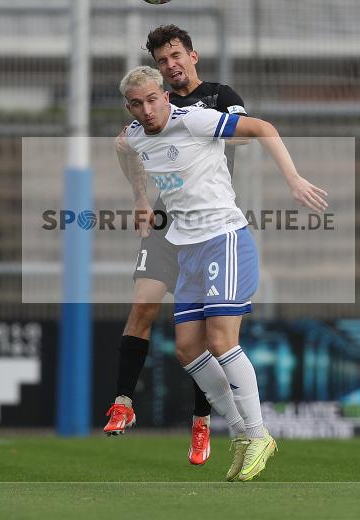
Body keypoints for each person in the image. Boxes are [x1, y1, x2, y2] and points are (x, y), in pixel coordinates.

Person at [118, 65, 327, 481]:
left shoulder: (194, 119)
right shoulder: (136, 135)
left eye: (152, 99)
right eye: (137, 104)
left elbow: (263, 129)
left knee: (220, 339)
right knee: (187, 349)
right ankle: (240, 432)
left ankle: (258, 433)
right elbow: (122, 147)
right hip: (186, 248)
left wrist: (293, 178)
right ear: (130, 107)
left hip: (224, 237)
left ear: (164, 96)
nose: (146, 109)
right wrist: (140, 196)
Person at [105, 25, 250, 467]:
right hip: (168, 223)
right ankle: (124, 401)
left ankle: (201, 419)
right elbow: (123, 147)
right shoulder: (152, 105)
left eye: (175, 56)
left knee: (203, 333)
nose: (170, 66)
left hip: (207, 223)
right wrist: (140, 198)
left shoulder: (218, 98)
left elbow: (243, 136)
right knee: (143, 305)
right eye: (162, 60)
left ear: (193, 56)